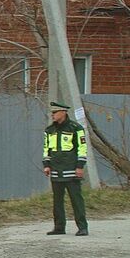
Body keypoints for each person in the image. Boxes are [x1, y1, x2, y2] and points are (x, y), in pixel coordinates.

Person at [42, 100, 88, 236]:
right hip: (56, 170)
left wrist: (80, 167)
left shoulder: (76, 128)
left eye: (55, 112)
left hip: (71, 170)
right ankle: (59, 227)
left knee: (76, 200)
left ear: (63, 112)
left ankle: (82, 227)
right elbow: (46, 149)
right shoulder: (49, 130)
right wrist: (46, 165)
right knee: (57, 201)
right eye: (52, 113)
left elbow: (82, 148)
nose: (53, 115)